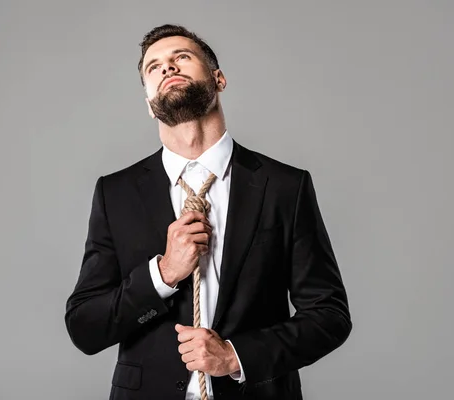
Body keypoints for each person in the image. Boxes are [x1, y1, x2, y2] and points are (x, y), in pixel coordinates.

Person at [65, 24, 352, 400]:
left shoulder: (285, 186)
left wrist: (236, 357)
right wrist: (163, 274)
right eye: (154, 67)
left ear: (218, 79)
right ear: (149, 104)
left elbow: (329, 315)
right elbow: (85, 327)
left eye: (181, 58)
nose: (167, 68)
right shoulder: (115, 193)